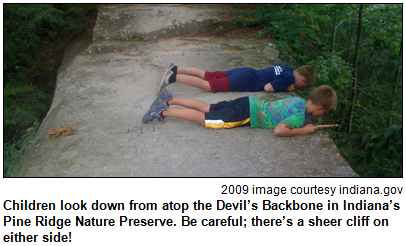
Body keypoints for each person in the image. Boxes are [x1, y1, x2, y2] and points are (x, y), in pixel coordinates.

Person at [144, 85, 337, 137]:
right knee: (206, 119)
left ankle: (169, 99)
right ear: (320, 108)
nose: (322, 116)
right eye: (324, 113)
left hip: (249, 102)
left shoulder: (298, 100)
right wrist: (302, 130)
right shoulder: (298, 117)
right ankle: (162, 112)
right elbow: (279, 130)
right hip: (247, 115)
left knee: (209, 107)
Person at [156, 62, 316, 94]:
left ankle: (175, 68)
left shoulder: (287, 68)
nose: (300, 86)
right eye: (302, 85)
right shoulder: (288, 78)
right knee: (208, 86)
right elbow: (268, 88)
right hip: (244, 80)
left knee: (208, 75)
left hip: (245, 71)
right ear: (303, 80)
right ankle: (171, 77)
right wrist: (287, 87)